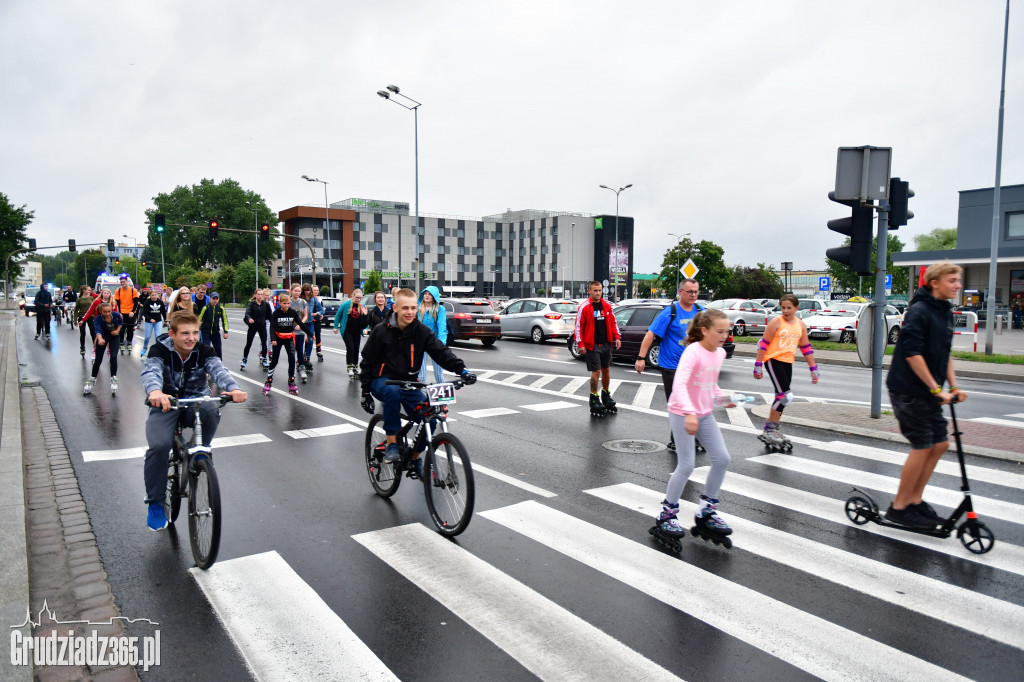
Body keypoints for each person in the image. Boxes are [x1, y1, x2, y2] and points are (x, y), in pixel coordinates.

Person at [140, 310, 247, 531]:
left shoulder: (204, 350)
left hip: (195, 401)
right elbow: (151, 373)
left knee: (211, 409)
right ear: (172, 334)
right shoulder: (159, 350)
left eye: (195, 333)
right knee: (159, 446)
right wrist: (155, 392)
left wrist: (233, 388)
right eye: (185, 333)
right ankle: (156, 503)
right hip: (166, 403)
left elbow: (219, 370)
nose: (191, 338)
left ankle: (202, 451)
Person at [359, 288, 477, 478]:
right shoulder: (381, 330)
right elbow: (366, 361)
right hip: (382, 380)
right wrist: (365, 392)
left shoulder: (420, 330)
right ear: (395, 307)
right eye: (405, 308)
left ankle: (414, 458)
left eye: (413, 308)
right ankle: (391, 444)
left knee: (430, 416)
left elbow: (440, 351)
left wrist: (462, 370)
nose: (410, 312)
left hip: (410, 382)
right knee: (392, 393)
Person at [885, 262, 966, 529]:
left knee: (940, 443)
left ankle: (914, 501)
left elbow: (945, 351)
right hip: (908, 389)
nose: (958, 285)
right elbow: (912, 353)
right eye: (952, 280)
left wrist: (953, 386)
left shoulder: (944, 311)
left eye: (958, 280)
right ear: (935, 282)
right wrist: (935, 388)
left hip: (929, 391)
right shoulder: (919, 311)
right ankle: (899, 508)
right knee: (922, 445)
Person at [652, 309, 736, 539]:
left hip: (704, 413)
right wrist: (689, 413)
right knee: (687, 464)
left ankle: (706, 511)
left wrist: (724, 399)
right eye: (719, 331)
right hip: (682, 412)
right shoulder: (693, 352)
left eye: (727, 332)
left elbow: (709, 385)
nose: (724, 336)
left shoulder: (718, 353)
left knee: (723, 459)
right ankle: (667, 514)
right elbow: (679, 385)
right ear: (704, 330)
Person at [635, 279, 703, 449]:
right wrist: (641, 357)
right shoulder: (670, 312)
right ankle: (677, 438)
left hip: (694, 366)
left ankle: (691, 435)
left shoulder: (701, 312)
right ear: (681, 292)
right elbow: (650, 334)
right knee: (678, 402)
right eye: (690, 292)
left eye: (696, 292)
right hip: (672, 366)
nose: (693, 295)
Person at [752, 293, 819, 448]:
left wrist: (813, 368)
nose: (786, 311)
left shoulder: (800, 325)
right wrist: (758, 364)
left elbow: (806, 348)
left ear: (796, 308)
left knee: (781, 397)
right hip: (773, 360)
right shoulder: (776, 322)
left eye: (789, 308)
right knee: (785, 396)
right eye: (783, 308)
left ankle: (773, 428)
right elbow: (763, 344)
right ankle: (770, 428)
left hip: (787, 362)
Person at [574, 281, 621, 415]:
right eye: (595, 290)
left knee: (606, 370)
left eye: (600, 290)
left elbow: (613, 322)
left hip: (605, 343)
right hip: (592, 344)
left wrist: (617, 337)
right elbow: (578, 326)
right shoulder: (584, 307)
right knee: (597, 371)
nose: (598, 293)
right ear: (589, 291)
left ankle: (605, 395)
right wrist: (580, 344)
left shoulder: (606, 306)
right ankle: (593, 397)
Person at [264, 292, 304, 395]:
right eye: (284, 303)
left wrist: (310, 334)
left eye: (288, 303)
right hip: (278, 338)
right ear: (280, 303)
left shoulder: (292, 312)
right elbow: (272, 327)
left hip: (289, 338)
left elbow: (300, 323)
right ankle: (269, 380)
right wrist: (273, 339)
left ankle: (291, 380)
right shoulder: (276, 313)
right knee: (275, 360)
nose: (286, 305)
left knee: (292, 358)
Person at [84, 302, 123, 394]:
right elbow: (98, 330)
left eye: (109, 311)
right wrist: (100, 339)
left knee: (113, 357)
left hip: (114, 337)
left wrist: (117, 331)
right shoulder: (97, 319)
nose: (107, 313)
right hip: (103, 337)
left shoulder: (116, 315)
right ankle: (92, 380)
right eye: (105, 312)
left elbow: (121, 322)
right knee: (98, 360)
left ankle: (113, 379)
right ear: (100, 311)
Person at [333, 288, 368, 378]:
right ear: (353, 296)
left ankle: (355, 366)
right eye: (357, 297)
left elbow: (365, 319)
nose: (359, 299)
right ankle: (349, 366)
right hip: (347, 330)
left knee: (356, 348)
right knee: (350, 347)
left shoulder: (362, 305)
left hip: (357, 330)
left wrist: (366, 328)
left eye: (360, 298)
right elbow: (338, 315)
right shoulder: (346, 304)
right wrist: (336, 326)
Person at [417, 286, 448, 384]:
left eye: (430, 294)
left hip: (435, 343)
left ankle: (443, 396)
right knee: (421, 376)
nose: (427, 296)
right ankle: (420, 398)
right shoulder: (418, 308)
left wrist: (441, 344)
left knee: (439, 375)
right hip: (421, 344)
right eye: (425, 293)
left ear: (434, 296)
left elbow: (442, 326)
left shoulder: (440, 309)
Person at [241, 289, 271, 369]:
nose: (260, 296)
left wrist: (274, 325)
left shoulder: (265, 304)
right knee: (249, 343)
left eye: (261, 294)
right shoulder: (251, 304)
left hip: (262, 326)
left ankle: (264, 359)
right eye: (259, 294)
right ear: (255, 295)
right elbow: (247, 313)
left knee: (264, 343)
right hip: (253, 326)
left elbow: (270, 316)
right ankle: (244, 359)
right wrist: (249, 318)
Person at [81, 288, 113, 358]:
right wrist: (83, 320)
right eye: (105, 293)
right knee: (98, 337)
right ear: (102, 294)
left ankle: (109, 350)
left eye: (108, 293)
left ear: (110, 294)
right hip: (98, 321)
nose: (106, 295)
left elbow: (116, 313)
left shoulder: (113, 302)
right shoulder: (97, 302)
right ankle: (95, 351)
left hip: (109, 321)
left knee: (108, 337)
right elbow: (90, 311)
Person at [112, 275, 139, 354]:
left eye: (124, 282)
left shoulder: (133, 290)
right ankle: (121, 342)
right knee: (122, 328)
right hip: (122, 312)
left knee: (130, 328)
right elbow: (117, 302)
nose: (122, 283)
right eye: (121, 282)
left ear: (127, 282)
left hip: (130, 312)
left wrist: (133, 311)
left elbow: (136, 302)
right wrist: (119, 312)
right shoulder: (118, 290)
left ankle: (129, 341)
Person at [198, 292, 229, 359]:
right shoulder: (206, 308)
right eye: (213, 298)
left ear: (218, 299)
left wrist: (225, 332)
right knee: (206, 349)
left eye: (216, 299)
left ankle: (219, 364)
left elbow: (225, 320)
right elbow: (199, 319)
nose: (215, 300)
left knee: (218, 349)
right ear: (210, 299)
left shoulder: (221, 308)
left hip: (215, 332)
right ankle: (203, 364)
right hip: (205, 332)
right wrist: (196, 329)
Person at [139, 288, 167, 357]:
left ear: (157, 295)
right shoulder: (147, 302)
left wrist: (166, 320)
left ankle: (157, 350)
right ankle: (145, 347)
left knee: (157, 336)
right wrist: (150, 319)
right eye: (152, 295)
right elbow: (144, 313)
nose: (154, 296)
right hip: (149, 322)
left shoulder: (160, 302)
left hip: (158, 321)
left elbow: (163, 312)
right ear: (150, 296)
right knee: (147, 337)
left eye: (155, 295)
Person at [290, 283, 310, 375]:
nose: (297, 293)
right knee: (292, 350)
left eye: (299, 291)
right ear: (291, 291)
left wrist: (300, 324)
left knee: (300, 349)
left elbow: (305, 316)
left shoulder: (303, 302)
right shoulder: (288, 302)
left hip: (300, 330)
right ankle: (291, 369)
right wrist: (293, 326)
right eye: (295, 291)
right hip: (290, 330)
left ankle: (301, 366)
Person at [73, 286, 95, 356]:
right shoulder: (79, 300)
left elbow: (94, 307)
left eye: (90, 290)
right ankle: (82, 348)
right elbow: (76, 310)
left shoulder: (91, 298)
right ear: (84, 290)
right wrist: (75, 319)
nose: (89, 291)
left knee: (93, 332)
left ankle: (95, 347)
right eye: (88, 290)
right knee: (82, 333)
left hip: (90, 317)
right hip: (81, 317)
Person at [306, 285, 326, 363]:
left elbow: (322, 309)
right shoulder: (308, 299)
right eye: (314, 290)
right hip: (309, 321)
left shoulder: (319, 299)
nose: (316, 292)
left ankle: (318, 350)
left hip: (316, 320)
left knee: (318, 335)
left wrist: (321, 315)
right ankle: (306, 352)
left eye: (317, 290)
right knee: (310, 336)